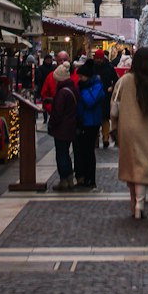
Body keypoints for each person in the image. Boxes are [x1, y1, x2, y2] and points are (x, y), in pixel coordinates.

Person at [112, 46, 148, 218]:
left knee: (131, 166)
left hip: (126, 128)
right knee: (143, 166)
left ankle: (134, 201)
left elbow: (114, 107)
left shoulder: (125, 80)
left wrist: (114, 127)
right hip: (147, 129)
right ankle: (139, 204)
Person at [73, 57, 105, 189]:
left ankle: (90, 178)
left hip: (91, 123)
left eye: (81, 76)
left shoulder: (96, 86)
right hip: (83, 122)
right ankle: (84, 177)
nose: (79, 79)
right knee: (82, 151)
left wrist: (82, 91)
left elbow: (90, 102)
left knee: (89, 152)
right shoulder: (86, 86)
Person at [47, 61, 77, 190]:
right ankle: (70, 179)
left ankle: (64, 180)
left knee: (61, 154)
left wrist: (51, 124)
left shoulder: (62, 93)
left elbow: (58, 113)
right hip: (71, 127)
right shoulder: (72, 89)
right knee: (66, 154)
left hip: (62, 129)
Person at [92, 48, 119, 148]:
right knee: (96, 118)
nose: (98, 60)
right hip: (94, 96)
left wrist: (111, 88)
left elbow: (116, 80)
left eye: (100, 58)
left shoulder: (109, 67)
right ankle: (95, 138)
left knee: (105, 118)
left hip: (105, 95)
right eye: (97, 58)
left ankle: (106, 138)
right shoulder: (92, 67)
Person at [40, 51, 68, 123]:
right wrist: (51, 109)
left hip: (70, 116)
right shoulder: (51, 76)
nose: (62, 62)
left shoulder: (75, 75)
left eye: (64, 60)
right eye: (60, 60)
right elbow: (44, 95)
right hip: (55, 114)